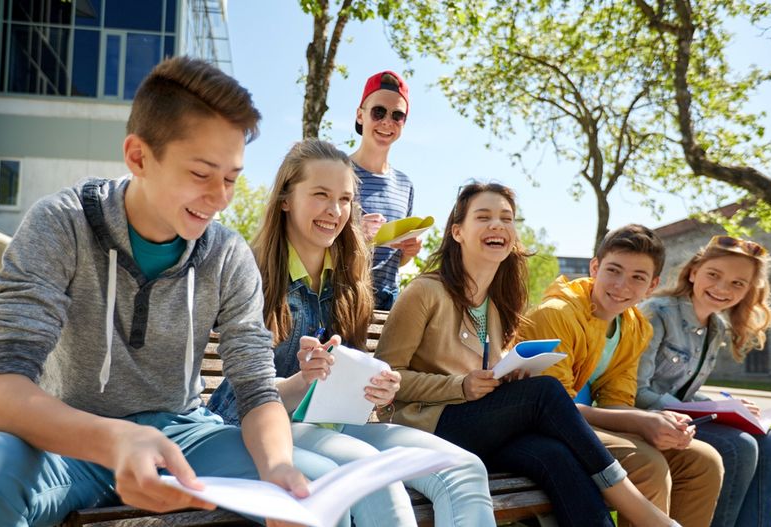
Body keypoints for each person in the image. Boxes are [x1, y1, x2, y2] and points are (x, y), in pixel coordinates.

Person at [0, 57, 320, 527]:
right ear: (138, 157)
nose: (220, 197)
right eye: (201, 173)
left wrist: (275, 469)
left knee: (314, 484)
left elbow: (255, 390)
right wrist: (115, 440)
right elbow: (0, 392)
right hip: (65, 439)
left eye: (231, 178)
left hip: (183, 436)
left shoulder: (227, 256)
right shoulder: (59, 225)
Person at [208, 139, 496, 526]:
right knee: (371, 481)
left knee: (463, 468)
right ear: (286, 200)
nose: (335, 211)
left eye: (344, 199)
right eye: (321, 195)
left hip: (333, 426)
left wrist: (379, 387)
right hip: (262, 427)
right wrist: (302, 379)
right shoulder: (249, 274)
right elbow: (242, 396)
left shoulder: (350, 279)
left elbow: (351, 377)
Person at [374, 182, 678, 527]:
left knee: (556, 456)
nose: (497, 225)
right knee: (545, 392)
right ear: (458, 232)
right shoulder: (426, 291)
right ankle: (636, 507)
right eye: (484, 216)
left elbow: (484, 372)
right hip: (426, 427)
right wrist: (459, 387)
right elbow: (387, 380)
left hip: (479, 427)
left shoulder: (498, 299)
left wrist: (509, 372)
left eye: (507, 218)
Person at [520, 224, 724, 527]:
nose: (621, 285)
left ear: (651, 286)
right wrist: (640, 420)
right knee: (648, 465)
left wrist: (662, 423)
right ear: (595, 267)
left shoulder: (634, 326)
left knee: (704, 461)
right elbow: (553, 410)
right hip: (537, 429)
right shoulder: (557, 313)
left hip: (584, 423)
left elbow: (616, 400)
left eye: (637, 278)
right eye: (613, 271)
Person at [635, 235, 771, 527]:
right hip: (643, 419)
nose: (721, 288)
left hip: (677, 417)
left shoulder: (716, 327)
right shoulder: (657, 312)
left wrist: (730, 406)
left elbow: (684, 393)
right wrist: (701, 410)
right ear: (694, 272)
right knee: (739, 446)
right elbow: (636, 391)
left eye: (737, 283)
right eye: (713, 275)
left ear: (747, 292)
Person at [349, 70, 421, 310]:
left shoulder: (405, 185)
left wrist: (409, 252)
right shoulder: (337, 172)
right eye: (378, 112)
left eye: (397, 115)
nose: (387, 121)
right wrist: (357, 234)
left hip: (387, 305)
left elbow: (394, 262)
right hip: (340, 298)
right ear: (360, 115)